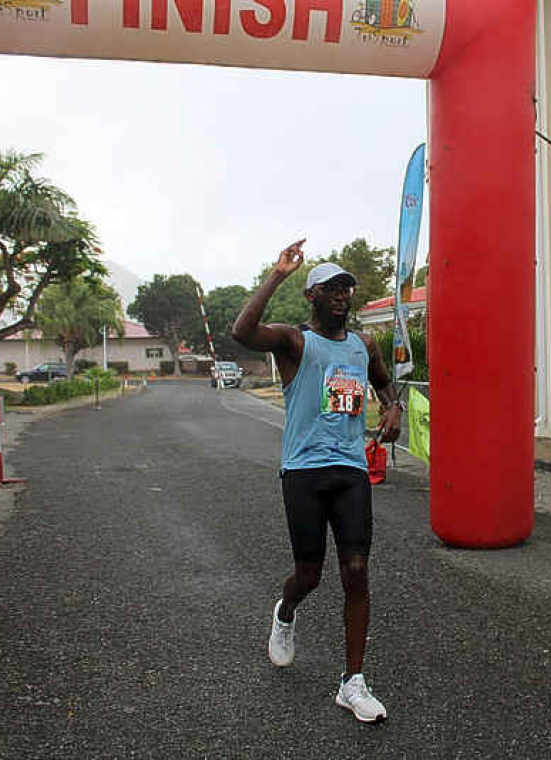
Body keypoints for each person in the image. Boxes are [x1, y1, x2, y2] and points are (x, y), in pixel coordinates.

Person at [231, 239, 402, 724]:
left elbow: (384, 380)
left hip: (349, 469)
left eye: (347, 287)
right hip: (303, 471)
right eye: (331, 288)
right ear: (312, 295)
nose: (342, 295)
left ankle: (353, 683)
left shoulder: (362, 344)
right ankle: (285, 612)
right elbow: (242, 332)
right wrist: (277, 273)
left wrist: (392, 407)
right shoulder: (294, 342)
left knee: (355, 569)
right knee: (310, 573)